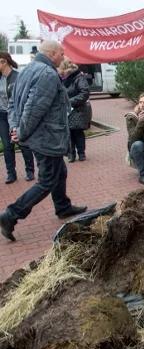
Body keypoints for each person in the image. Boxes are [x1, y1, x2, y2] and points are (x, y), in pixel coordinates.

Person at [0, 41, 87, 242]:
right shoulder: (47, 74)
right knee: (47, 180)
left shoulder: (27, 70)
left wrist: (15, 127)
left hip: (38, 136)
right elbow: (34, 109)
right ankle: (11, 215)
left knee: (60, 171)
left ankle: (63, 206)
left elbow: (12, 103)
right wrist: (21, 131)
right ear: (52, 53)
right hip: (46, 137)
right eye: (62, 54)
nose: (64, 57)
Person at [0, 52, 35, 184]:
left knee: (22, 142)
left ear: (4, 62)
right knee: (7, 144)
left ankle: (30, 170)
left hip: (16, 114)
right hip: (2, 115)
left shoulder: (18, 77)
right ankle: (11, 173)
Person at [59, 57, 91, 162]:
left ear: (65, 69)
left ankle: (81, 153)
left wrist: (70, 102)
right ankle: (71, 153)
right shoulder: (63, 79)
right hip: (68, 110)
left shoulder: (79, 77)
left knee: (77, 131)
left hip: (78, 109)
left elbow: (84, 92)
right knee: (69, 132)